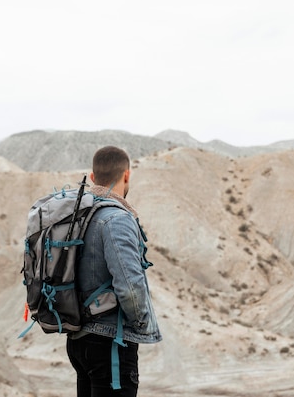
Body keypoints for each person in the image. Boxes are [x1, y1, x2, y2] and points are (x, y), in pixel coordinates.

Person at [66, 145, 162, 397]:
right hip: (110, 342)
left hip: (79, 340)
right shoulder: (116, 219)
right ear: (127, 175)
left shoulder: (80, 214)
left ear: (93, 177)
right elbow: (129, 285)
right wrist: (141, 325)